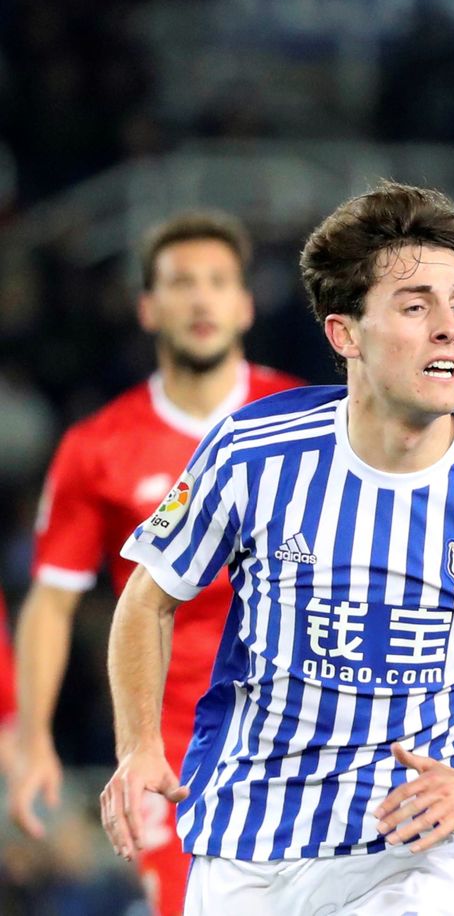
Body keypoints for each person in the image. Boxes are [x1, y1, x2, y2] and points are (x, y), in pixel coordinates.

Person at [97, 183, 454, 914]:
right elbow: (148, 597)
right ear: (345, 334)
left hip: (409, 855)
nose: (448, 327)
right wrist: (137, 747)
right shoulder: (251, 454)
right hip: (242, 844)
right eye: (416, 306)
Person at [7, 211, 298, 915]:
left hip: (307, 730)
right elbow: (51, 603)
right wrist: (32, 740)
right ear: (148, 307)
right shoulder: (98, 448)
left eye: (218, 283)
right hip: (173, 747)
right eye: (180, 283)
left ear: (244, 304)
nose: (200, 300)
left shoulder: (309, 420)